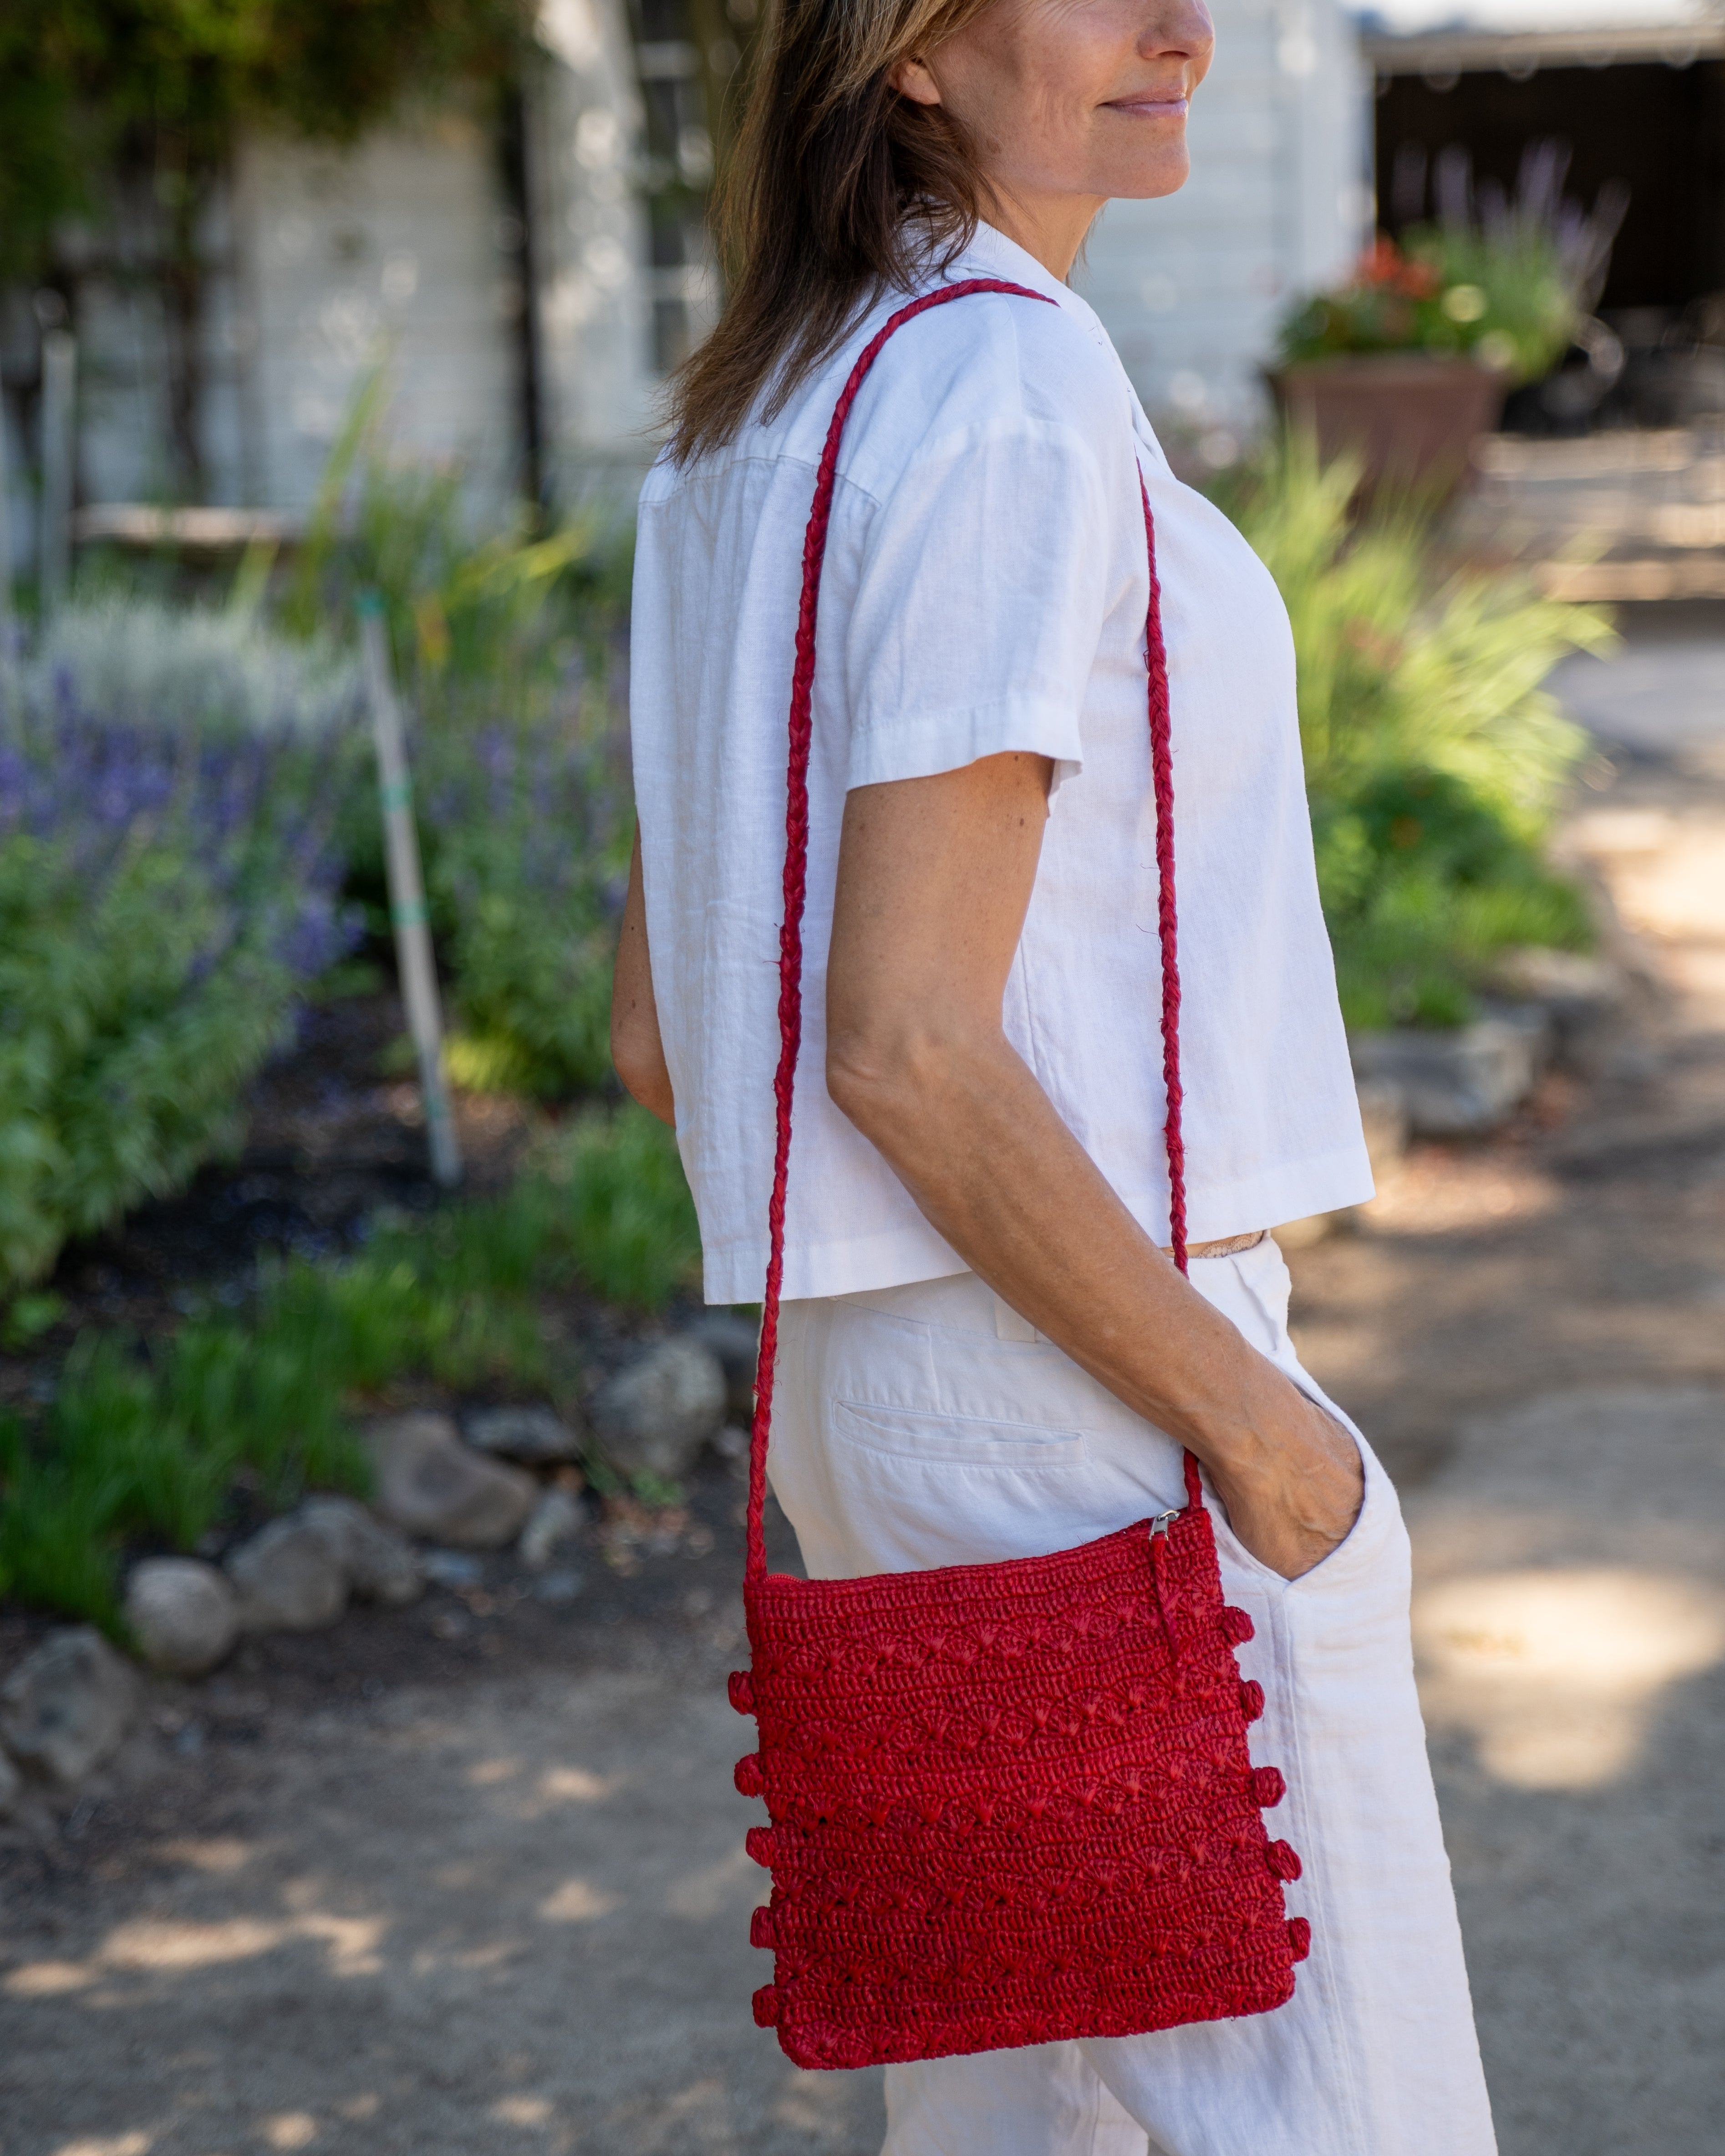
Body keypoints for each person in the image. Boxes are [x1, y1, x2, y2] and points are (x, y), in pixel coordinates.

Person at [612, 1, 1497, 2149]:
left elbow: (662, 1029)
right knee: (1325, 2115)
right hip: (1100, 1401)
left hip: (879, 1402)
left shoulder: (758, 409)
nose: (1185, 28)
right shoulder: (1005, 385)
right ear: (909, 47)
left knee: (1026, 2123)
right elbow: (908, 1041)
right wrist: (1269, 1447)